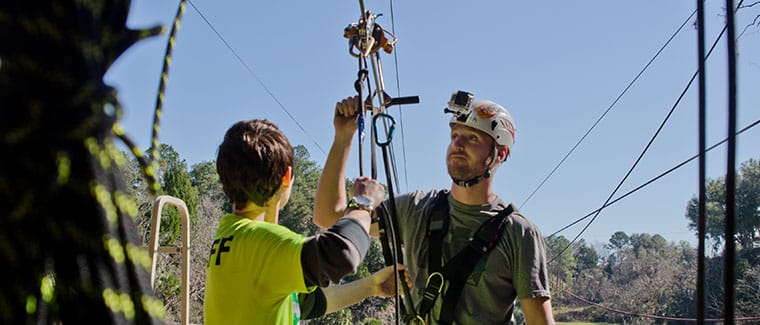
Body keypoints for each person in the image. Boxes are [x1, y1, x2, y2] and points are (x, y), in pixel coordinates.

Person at [314, 91, 556, 324]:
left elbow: (540, 321)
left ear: (500, 154)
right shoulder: (415, 208)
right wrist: (344, 137)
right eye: (454, 136)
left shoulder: (518, 233)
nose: (458, 144)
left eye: (472, 138)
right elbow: (328, 218)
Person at [204, 119, 405, 324]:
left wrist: (372, 286)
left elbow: (306, 303)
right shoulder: (261, 244)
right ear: (286, 177)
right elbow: (341, 253)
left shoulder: (232, 238)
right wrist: (363, 202)